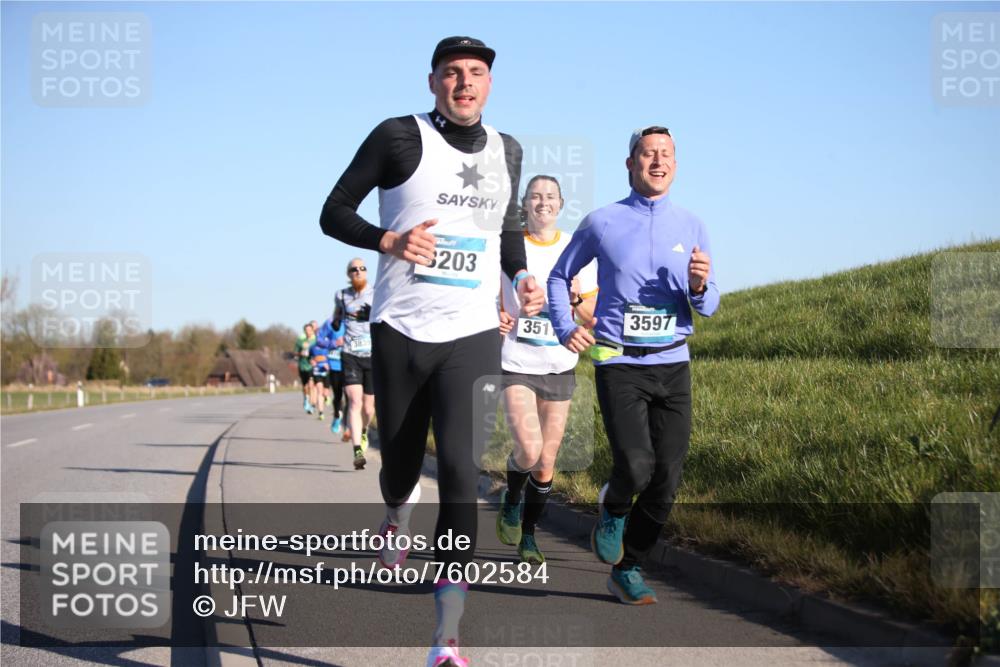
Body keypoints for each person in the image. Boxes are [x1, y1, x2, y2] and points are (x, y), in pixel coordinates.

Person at [320, 36, 544, 667]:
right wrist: (388, 239)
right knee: (398, 465)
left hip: (471, 336)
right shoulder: (398, 137)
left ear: (490, 84)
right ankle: (396, 509)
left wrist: (520, 277)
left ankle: (446, 636)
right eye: (452, 73)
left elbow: (505, 231)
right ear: (433, 81)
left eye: (476, 74)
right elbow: (332, 212)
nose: (464, 83)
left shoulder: (509, 150)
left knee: (460, 479)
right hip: (400, 330)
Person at [548, 126, 718, 606]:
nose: (658, 161)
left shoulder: (692, 224)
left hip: (673, 362)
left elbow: (707, 305)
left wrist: (701, 287)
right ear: (630, 164)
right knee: (637, 465)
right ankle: (614, 506)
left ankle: (629, 568)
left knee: (667, 478)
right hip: (619, 361)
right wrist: (565, 328)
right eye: (648, 154)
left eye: (666, 154)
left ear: (676, 165)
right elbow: (560, 277)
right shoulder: (602, 222)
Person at [495, 175, 598, 565]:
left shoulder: (576, 249)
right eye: (536, 196)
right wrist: (498, 314)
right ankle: (511, 497)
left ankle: (529, 534)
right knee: (529, 448)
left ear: (560, 204)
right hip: (517, 361)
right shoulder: (509, 246)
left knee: (547, 460)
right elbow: (487, 294)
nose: (543, 202)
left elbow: (591, 314)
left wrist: (573, 303)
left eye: (550, 196)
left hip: (558, 364)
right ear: (525, 203)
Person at [333, 258, 376, 470]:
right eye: (353, 269)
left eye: (362, 268)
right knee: (355, 401)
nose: (358, 271)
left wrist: (372, 314)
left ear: (366, 272)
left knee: (369, 409)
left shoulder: (377, 293)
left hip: (372, 355)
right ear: (348, 274)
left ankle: (365, 430)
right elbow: (337, 315)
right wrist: (336, 323)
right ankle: (357, 449)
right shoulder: (341, 295)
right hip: (350, 354)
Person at [315, 314, 347, 432]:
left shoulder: (357, 319)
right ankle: (337, 416)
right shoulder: (331, 321)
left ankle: (348, 426)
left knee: (352, 397)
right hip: (335, 365)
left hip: (351, 363)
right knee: (338, 395)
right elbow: (319, 340)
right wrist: (334, 343)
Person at [295, 322, 316, 413]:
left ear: (312, 331)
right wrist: (301, 353)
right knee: (305, 386)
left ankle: (311, 405)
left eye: (310, 330)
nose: (308, 332)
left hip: (311, 366)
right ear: (304, 331)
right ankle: (306, 399)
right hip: (302, 365)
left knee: (311, 385)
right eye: (306, 330)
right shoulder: (300, 341)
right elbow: (295, 352)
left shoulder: (315, 341)